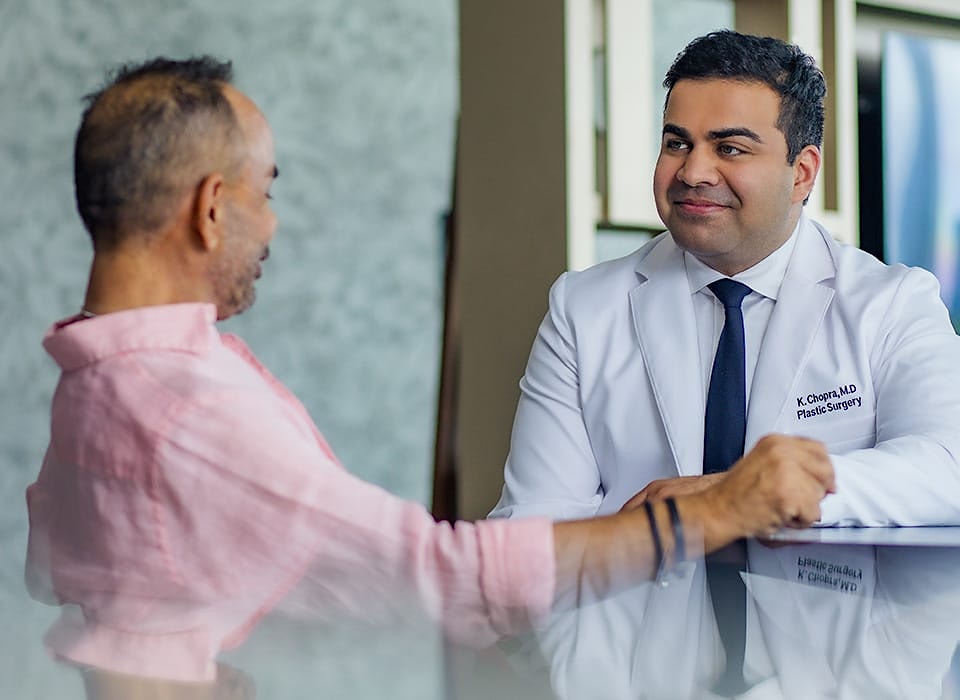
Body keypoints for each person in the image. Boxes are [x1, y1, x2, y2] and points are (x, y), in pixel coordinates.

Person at [24, 56, 834, 698]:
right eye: (265, 193)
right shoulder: (187, 410)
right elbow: (438, 579)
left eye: (731, 147)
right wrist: (721, 509)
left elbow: (59, 569)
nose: (271, 223)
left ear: (803, 171)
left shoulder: (96, 376)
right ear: (209, 208)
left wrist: (177, 643)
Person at [490, 29, 960, 698]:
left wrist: (746, 497)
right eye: (676, 141)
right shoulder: (583, 307)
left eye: (730, 148)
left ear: (802, 172)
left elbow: (946, 469)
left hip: (833, 669)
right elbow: (532, 528)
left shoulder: (890, 303)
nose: (692, 171)